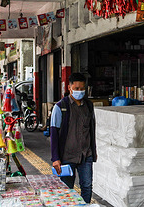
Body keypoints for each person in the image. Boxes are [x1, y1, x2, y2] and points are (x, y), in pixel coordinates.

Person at [50, 73, 97, 203]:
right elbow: (54, 133)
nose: (80, 91)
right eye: (76, 88)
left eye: (82, 88)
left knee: (87, 186)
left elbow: (91, 130)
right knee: (67, 190)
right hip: (67, 156)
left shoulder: (89, 106)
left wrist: (93, 152)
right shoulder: (60, 107)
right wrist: (55, 158)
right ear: (69, 87)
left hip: (85, 155)